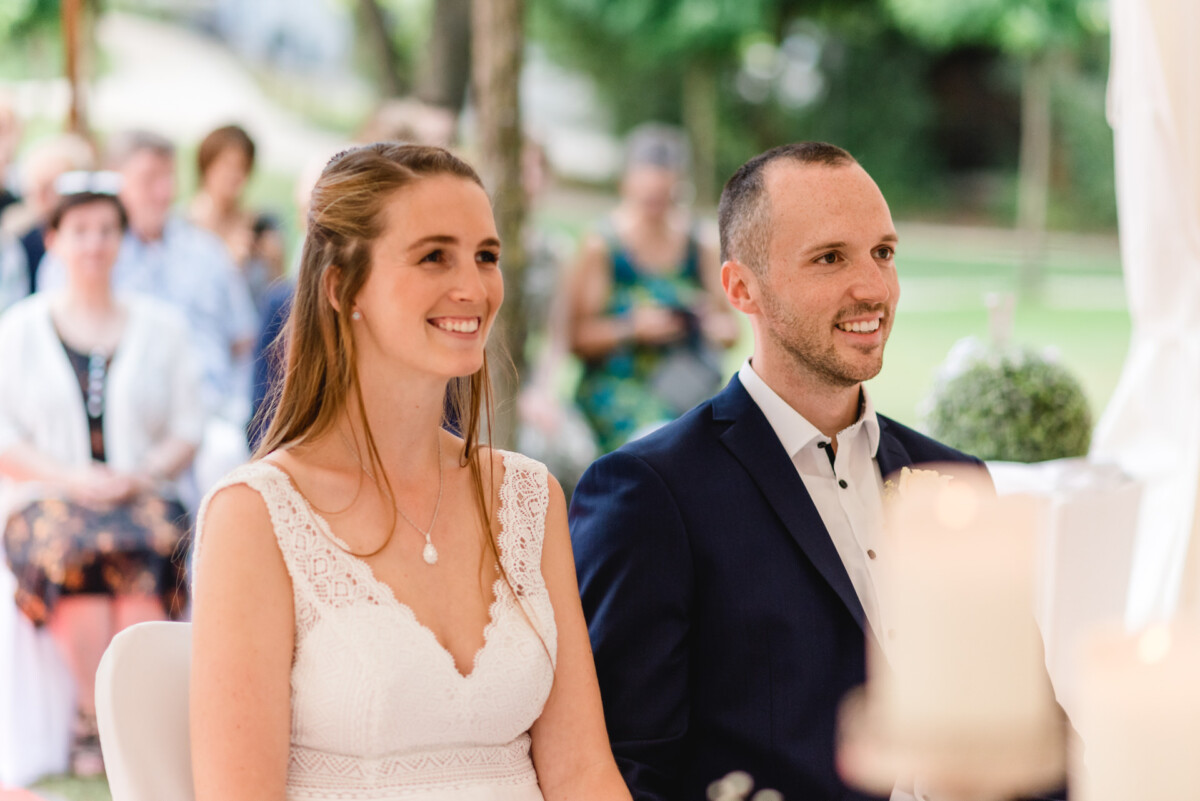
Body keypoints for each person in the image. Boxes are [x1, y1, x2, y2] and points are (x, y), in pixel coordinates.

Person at [190, 143, 630, 801]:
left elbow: (583, 772)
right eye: (434, 256)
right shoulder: (255, 514)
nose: (474, 287)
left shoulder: (528, 494)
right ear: (342, 287)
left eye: (486, 255)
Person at [568, 143, 988, 801]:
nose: (873, 287)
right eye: (830, 258)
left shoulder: (953, 479)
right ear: (741, 288)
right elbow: (624, 766)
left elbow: (1022, 730)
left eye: (883, 252)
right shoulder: (651, 494)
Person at [0, 176, 204, 775]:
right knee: (71, 549)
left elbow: (187, 429)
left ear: (122, 239)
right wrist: (69, 476)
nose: (94, 244)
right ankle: (94, 718)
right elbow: (3, 435)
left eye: (106, 231)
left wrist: (139, 474)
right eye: (80, 231)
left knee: (152, 544)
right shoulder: (18, 330)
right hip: (47, 494)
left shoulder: (163, 327)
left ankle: (133, 717)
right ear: (56, 239)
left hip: (139, 492)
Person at [566, 124, 738, 453]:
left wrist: (700, 323)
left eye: (664, 198)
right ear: (626, 183)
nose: (656, 206)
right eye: (648, 197)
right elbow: (576, 338)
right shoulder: (602, 245)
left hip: (686, 381)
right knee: (661, 443)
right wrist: (633, 328)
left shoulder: (697, 243)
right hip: (619, 387)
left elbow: (731, 331)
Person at [188, 124, 285, 313]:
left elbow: (278, 299)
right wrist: (226, 264)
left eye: (243, 167)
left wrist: (274, 264)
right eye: (227, 165)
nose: (235, 175)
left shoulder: (263, 225)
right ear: (207, 165)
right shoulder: (183, 226)